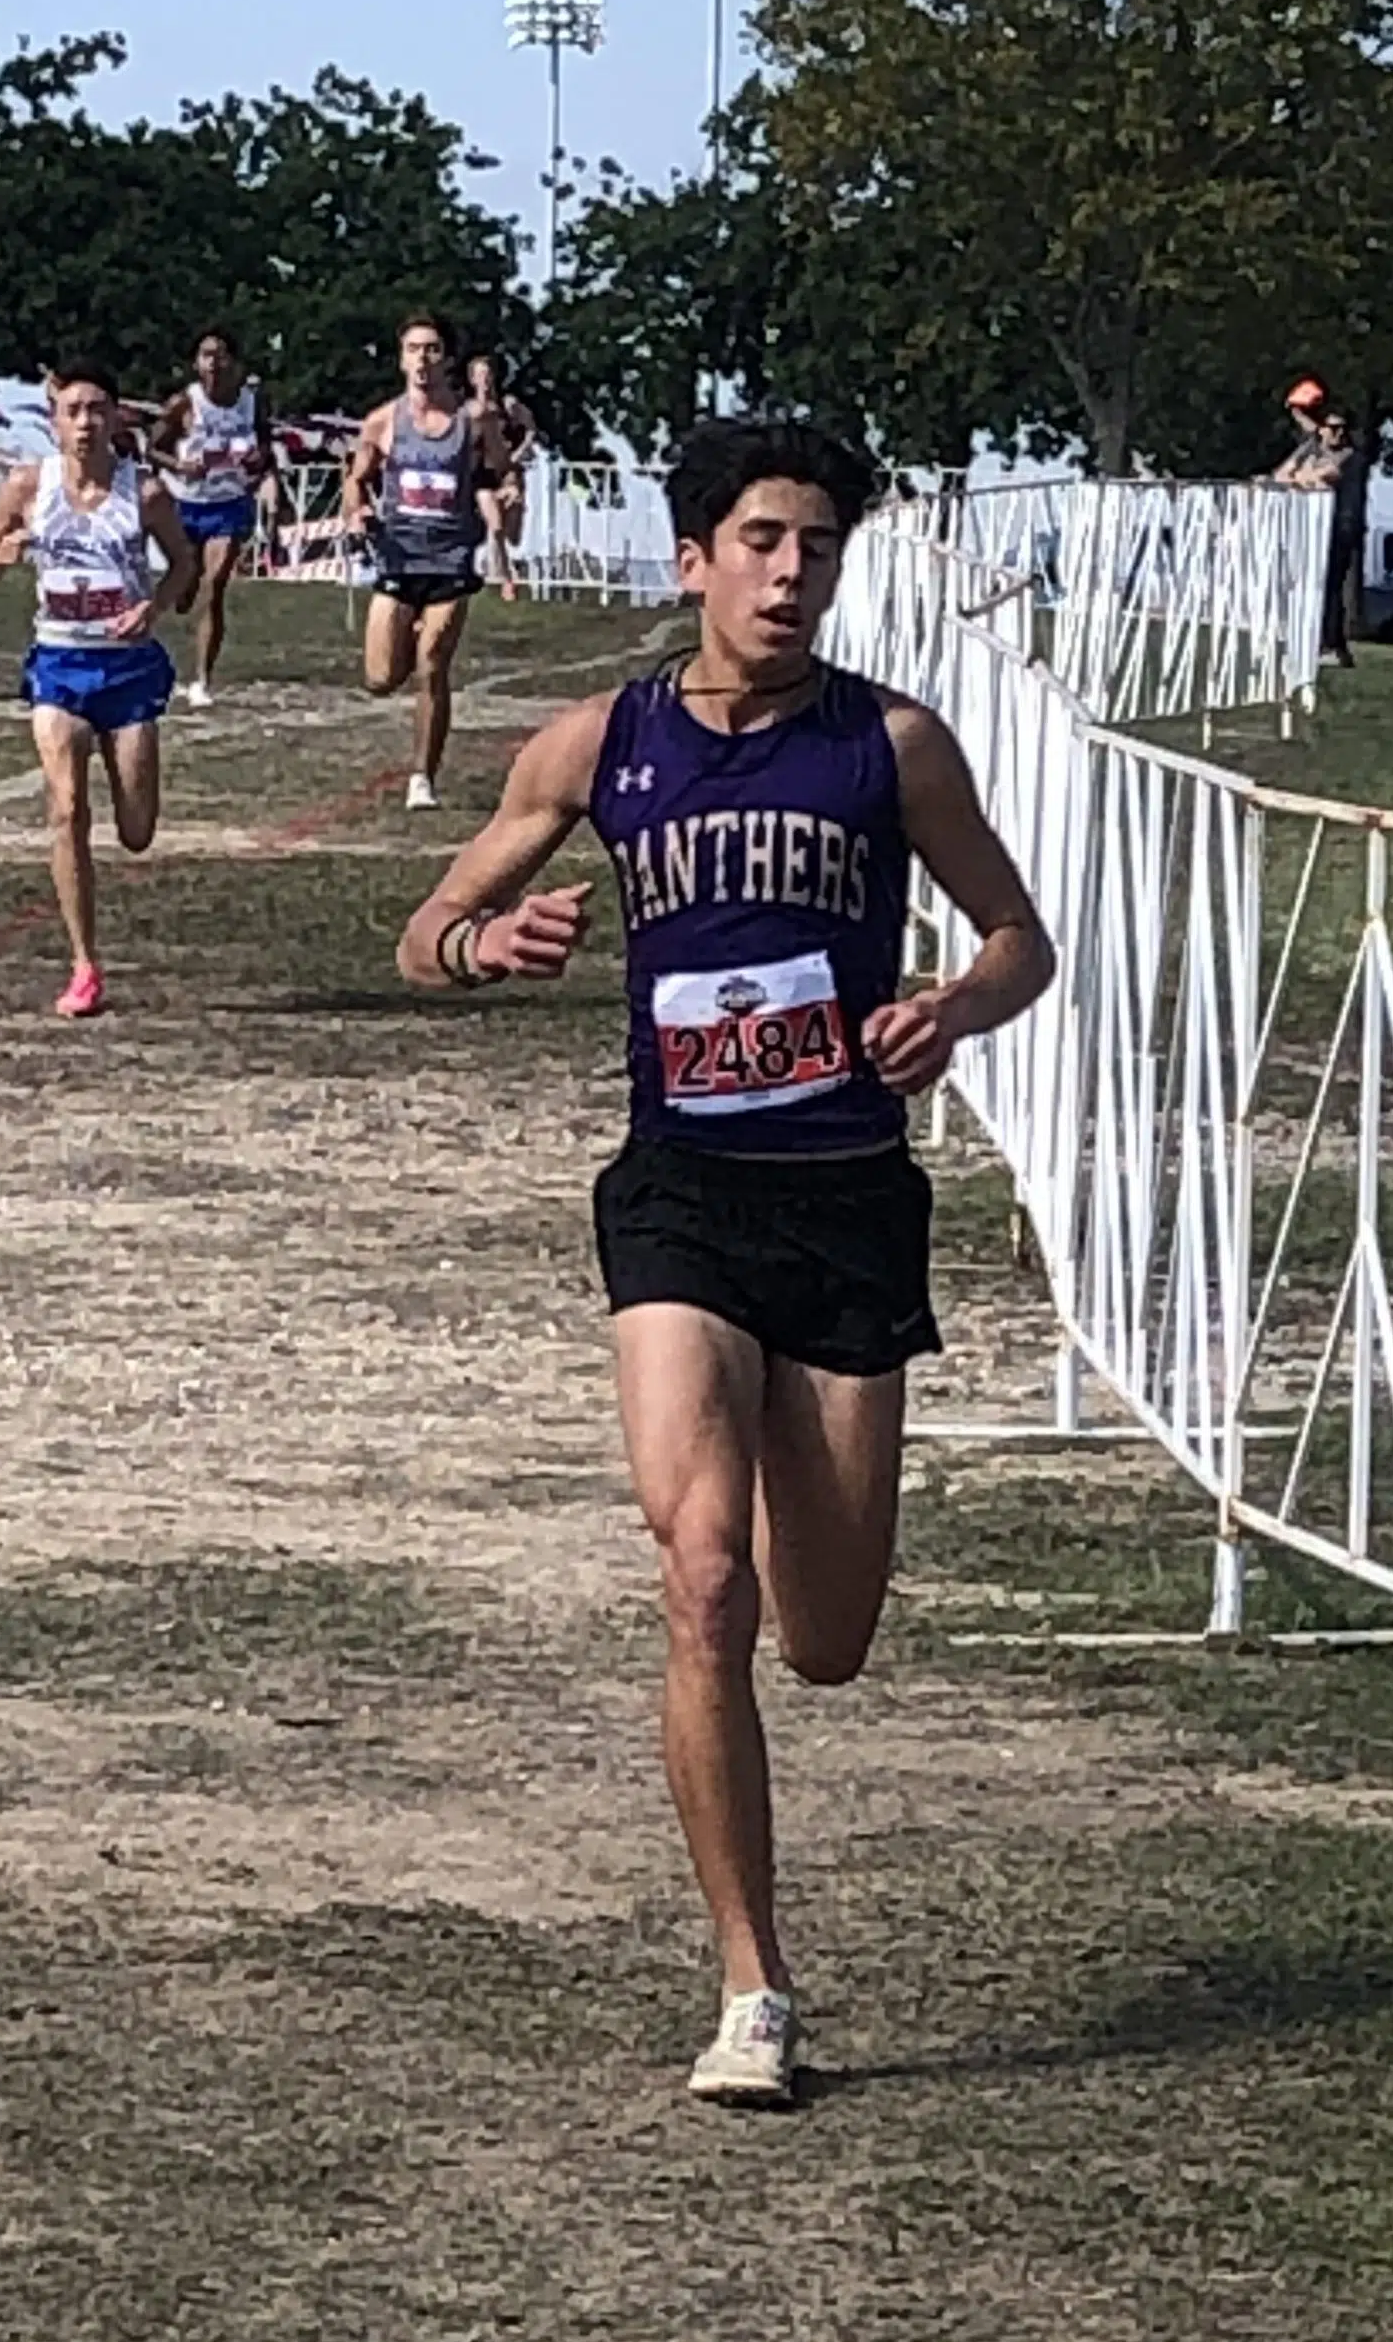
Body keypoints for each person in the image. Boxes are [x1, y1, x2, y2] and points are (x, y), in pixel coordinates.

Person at [394, 416, 1055, 2106]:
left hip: (841, 1201)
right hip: (679, 1194)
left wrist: (949, 1007)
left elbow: (1016, 937)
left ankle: (770, 1462)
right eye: (758, 539)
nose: (787, 571)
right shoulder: (598, 744)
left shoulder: (888, 747)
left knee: (820, 1635)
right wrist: (490, 939)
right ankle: (750, 1985)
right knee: (700, 1576)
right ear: (690, 560)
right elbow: (422, 932)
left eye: (815, 545)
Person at [0, 362, 198, 1019]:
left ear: (118, 417)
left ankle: (135, 805)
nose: (86, 421)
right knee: (66, 808)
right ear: (55, 420)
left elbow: (183, 564)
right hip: (59, 666)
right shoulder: (27, 485)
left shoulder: (144, 492)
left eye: (98, 408)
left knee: (135, 831)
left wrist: (154, 606)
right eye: (73, 409)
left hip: (127, 671)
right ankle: (84, 963)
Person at [344, 314, 488, 810]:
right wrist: (358, 508)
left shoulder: (472, 423)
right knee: (381, 679)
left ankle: (422, 777)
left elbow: (503, 472)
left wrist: (508, 494)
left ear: (446, 358)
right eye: (413, 349)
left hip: (450, 559)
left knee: (433, 667)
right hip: (398, 557)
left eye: (431, 349)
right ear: (401, 358)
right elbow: (356, 478)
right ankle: (404, 636)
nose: (422, 359)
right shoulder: (384, 420)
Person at [147, 327, 277, 710]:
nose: (213, 363)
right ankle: (177, 599)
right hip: (185, 503)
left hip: (229, 501)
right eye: (206, 355)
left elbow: (268, 443)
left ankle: (202, 679)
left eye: (220, 355)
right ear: (195, 363)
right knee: (183, 587)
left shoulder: (251, 403)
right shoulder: (183, 404)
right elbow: (153, 448)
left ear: (234, 363)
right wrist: (180, 465)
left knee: (215, 584)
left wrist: (260, 458)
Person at [1272, 376, 1363, 667]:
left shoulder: (1348, 455)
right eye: (1332, 427)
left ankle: (1332, 647)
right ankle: (1327, 644)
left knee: (1330, 587)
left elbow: (1323, 475)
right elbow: (1281, 475)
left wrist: (1303, 476)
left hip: (1340, 529)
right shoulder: (1312, 448)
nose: (1338, 433)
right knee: (1316, 586)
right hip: (1314, 529)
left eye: (1342, 428)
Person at [464, 351, 537, 603]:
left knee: (513, 535)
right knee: (494, 527)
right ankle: (507, 580)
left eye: (488, 374)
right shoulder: (469, 410)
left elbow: (531, 429)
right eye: (479, 375)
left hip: (508, 475)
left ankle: (516, 520)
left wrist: (519, 453)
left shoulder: (508, 405)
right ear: (472, 380)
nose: (484, 380)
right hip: (483, 477)